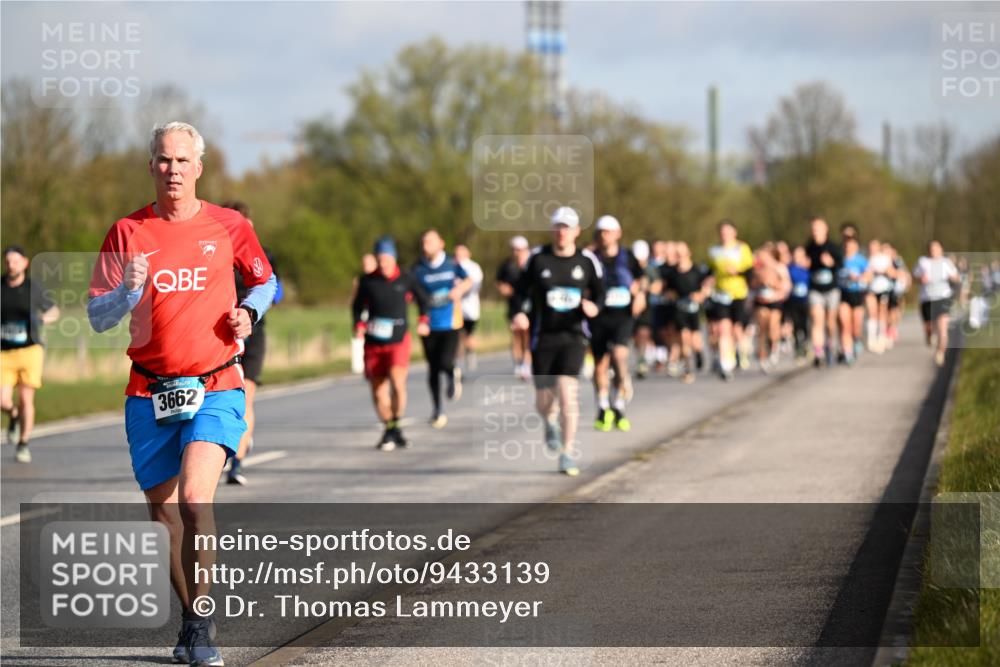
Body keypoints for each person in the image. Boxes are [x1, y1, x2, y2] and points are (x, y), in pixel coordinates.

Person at [88, 122, 276, 667]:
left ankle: (198, 624)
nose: (173, 170)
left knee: (196, 499)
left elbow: (267, 281)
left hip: (216, 380)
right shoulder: (127, 231)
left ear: (199, 166)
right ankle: (195, 618)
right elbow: (97, 317)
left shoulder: (229, 225)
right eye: (163, 160)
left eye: (182, 160)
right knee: (163, 514)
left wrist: (250, 312)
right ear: (151, 166)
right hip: (149, 391)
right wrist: (125, 292)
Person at [511, 206, 603, 476]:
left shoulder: (587, 260)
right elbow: (519, 291)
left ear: (577, 231)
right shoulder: (538, 259)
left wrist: (593, 307)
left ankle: (567, 452)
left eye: (567, 227)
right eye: (558, 227)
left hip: (574, 336)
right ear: (553, 230)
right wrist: (519, 313)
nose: (562, 232)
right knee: (544, 401)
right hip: (543, 336)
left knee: (568, 394)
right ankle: (549, 421)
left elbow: (600, 292)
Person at [221, 201, 282, 486]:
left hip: (254, 335)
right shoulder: (212, 253)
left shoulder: (264, 254)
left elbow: (275, 292)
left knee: (245, 397)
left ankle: (237, 464)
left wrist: (255, 304)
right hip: (218, 337)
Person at [352, 236, 430, 449]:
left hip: (398, 340)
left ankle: (395, 426)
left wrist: (424, 320)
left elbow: (423, 300)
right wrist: (358, 324)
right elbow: (357, 307)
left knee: (397, 381)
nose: (384, 263)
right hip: (374, 343)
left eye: (387, 259)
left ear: (394, 258)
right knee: (378, 390)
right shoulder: (368, 281)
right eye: (380, 260)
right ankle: (390, 428)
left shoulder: (407, 278)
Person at [1, 245, 60, 462]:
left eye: (15, 261)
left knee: (26, 399)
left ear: (25, 263)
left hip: (30, 350)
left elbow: (53, 309)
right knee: (3, 401)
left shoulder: (32, 288)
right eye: (8, 261)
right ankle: (13, 415)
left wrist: (44, 319)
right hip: (4, 352)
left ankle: (23, 443)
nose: (11, 264)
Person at [588, 215, 645, 432]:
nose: (605, 235)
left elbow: (640, 279)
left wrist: (640, 294)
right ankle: (604, 407)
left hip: (622, 315)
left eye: (609, 231)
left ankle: (619, 404)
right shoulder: (591, 257)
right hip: (599, 317)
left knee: (620, 357)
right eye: (601, 232)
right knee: (600, 363)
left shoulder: (627, 256)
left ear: (618, 234)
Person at [412, 229, 471, 428]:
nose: (425, 245)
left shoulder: (452, 264)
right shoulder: (418, 268)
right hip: (429, 325)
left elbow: (469, 280)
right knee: (433, 368)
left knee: (445, 360)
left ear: (441, 243)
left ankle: (452, 371)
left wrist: (459, 290)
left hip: (450, 322)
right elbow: (412, 291)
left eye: (429, 241)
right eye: (423, 242)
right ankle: (438, 410)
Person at [705, 220, 754, 381]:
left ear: (735, 232)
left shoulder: (742, 248)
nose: (724, 234)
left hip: (738, 294)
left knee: (736, 330)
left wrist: (737, 271)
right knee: (722, 329)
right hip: (720, 294)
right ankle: (726, 363)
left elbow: (750, 271)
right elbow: (709, 271)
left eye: (727, 231)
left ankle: (741, 352)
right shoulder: (714, 251)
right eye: (722, 231)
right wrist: (707, 282)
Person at [657, 242, 709, 383]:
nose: (679, 256)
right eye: (677, 253)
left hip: (694, 309)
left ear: (688, 253)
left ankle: (698, 353)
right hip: (679, 309)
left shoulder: (697, 270)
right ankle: (688, 367)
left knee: (695, 340)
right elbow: (665, 289)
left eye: (682, 253)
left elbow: (707, 285)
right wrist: (668, 294)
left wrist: (701, 295)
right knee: (684, 337)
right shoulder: (672, 272)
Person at [913, 240, 960, 367]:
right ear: (929, 250)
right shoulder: (923, 262)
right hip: (927, 299)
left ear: (941, 249)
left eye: (936, 248)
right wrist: (920, 279)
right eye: (932, 248)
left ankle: (940, 353)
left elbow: (956, 277)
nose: (934, 251)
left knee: (943, 329)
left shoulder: (946, 262)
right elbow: (914, 276)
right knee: (929, 328)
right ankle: (929, 336)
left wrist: (953, 278)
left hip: (943, 298)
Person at [805, 217, 843, 368]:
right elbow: (804, 264)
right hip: (815, 289)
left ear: (825, 230)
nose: (815, 232)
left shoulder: (833, 247)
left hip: (832, 289)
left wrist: (832, 263)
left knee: (830, 322)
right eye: (813, 229)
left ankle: (831, 345)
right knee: (817, 319)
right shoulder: (809, 247)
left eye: (818, 229)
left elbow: (841, 265)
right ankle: (818, 353)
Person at [496, 236, 533, 380]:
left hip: (530, 304)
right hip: (514, 304)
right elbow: (499, 281)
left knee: (528, 335)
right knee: (516, 334)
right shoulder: (507, 265)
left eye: (519, 250)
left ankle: (527, 364)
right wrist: (503, 288)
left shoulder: (531, 263)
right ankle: (518, 363)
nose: (516, 252)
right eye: (514, 250)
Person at [752, 242, 791, 372]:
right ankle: (762, 356)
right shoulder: (758, 268)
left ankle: (774, 349)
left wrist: (776, 287)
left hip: (775, 300)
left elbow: (786, 286)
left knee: (773, 327)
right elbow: (751, 285)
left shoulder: (779, 267)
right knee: (762, 329)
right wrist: (759, 281)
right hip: (761, 300)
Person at [837, 236, 869, 364]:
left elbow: (869, 275)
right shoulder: (840, 259)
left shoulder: (861, 260)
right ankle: (848, 352)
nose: (849, 248)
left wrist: (859, 277)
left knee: (856, 326)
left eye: (852, 245)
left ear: (856, 247)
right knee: (845, 325)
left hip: (857, 294)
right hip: (843, 294)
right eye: (847, 245)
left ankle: (856, 339)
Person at [453, 243, 483, 373]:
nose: (459, 256)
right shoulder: (452, 266)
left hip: (470, 309)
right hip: (456, 309)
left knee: (469, 335)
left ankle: (470, 353)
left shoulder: (473, 267)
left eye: (461, 253)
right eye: (457, 253)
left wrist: (461, 288)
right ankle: (457, 364)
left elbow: (473, 285)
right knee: (457, 336)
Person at [631, 240, 656, 379]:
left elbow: (658, 286)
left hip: (646, 306)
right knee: (634, 336)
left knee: (643, 333)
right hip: (629, 306)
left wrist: (645, 288)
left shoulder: (651, 269)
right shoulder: (629, 267)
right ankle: (638, 356)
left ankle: (641, 361)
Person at [865, 239, 895, 353]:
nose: (872, 249)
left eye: (874, 247)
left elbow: (891, 271)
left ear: (878, 247)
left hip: (883, 289)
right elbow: (865, 274)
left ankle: (881, 336)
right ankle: (871, 339)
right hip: (871, 290)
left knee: (882, 312)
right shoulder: (867, 259)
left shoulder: (884, 258)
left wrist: (882, 271)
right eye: (870, 247)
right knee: (872, 313)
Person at [785, 246, 812, 364]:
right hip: (793, 301)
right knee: (796, 325)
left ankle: (806, 344)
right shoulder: (789, 268)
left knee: (805, 324)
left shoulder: (808, 269)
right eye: (795, 254)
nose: (797, 257)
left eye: (799, 255)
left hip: (806, 301)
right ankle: (798, 349)